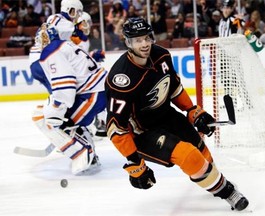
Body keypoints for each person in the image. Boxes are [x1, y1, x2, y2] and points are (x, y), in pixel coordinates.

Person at [105, 17, 249, 211]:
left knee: (201, 151)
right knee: (189, 156)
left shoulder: (162, 55)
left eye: (147, 38)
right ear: (128, 42)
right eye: (138, 40)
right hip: (143, 132)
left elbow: (173, 88)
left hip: (166, 115)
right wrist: (134, 161)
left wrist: (192, 111)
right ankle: (228, 192)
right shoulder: (122, 79)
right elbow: (116, 127)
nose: (145, 44)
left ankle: (215, 181)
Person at [31, 24, 107, 175]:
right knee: (62, 119)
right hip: (99, 90)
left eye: (41, 38)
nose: (39, 42)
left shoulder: (51, 50)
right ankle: (89, 155)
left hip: (92, 94)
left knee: (46, 118)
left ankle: (83, 153)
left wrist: (57, 109)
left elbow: (66, 84)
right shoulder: (66, 44)